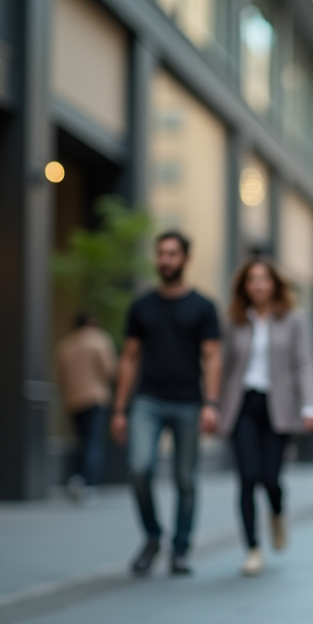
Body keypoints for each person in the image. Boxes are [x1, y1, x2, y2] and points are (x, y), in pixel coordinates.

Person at [112, 231, 222, 577]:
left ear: (185, 259)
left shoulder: (203, 307)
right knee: (140, 469)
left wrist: (212, 403)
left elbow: (212, 358)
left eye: (172, 254)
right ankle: (152, 537)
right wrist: (119, 409)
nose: (165, 260)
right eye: (161, 254)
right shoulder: (142, 306)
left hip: (189, 401)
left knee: (185, 480)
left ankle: (180, 550)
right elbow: (129, 358)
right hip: (148, 400)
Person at [219, 257, 313, 576]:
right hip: (242, 405)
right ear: (244, 286)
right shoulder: (234, 320)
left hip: (279, 406)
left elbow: (304, 362)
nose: (258, 284)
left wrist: (310, 405)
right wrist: (210, 405)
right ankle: (252, 548)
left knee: (270, 478)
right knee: (247, 477)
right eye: (252, 279)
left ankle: (277, 513)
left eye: (264, 278)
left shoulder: (292, 319)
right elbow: (220, 367)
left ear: (274, 283)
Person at [55, 313, 117, 502]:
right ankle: (89, 485)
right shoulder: (99, 340)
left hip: (73, 399)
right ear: (92, 322)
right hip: (95, 397)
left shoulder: (65, 345)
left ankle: (76, 480)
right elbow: (109, 370)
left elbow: (60, 377)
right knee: (93, 442)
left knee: (80, 441)